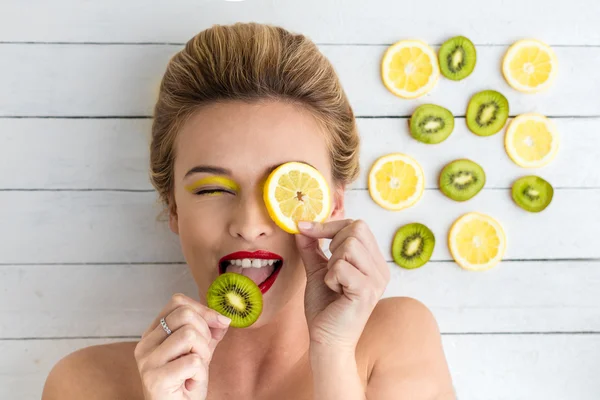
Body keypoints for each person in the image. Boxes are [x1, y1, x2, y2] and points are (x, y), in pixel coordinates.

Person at [42, 22, 455, 399]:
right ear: (173, 208)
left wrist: (332, 353)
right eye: (211, 189)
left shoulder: (396, 339)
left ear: (332, 201)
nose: (249, 225)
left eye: (285, 189)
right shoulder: (83, 383)